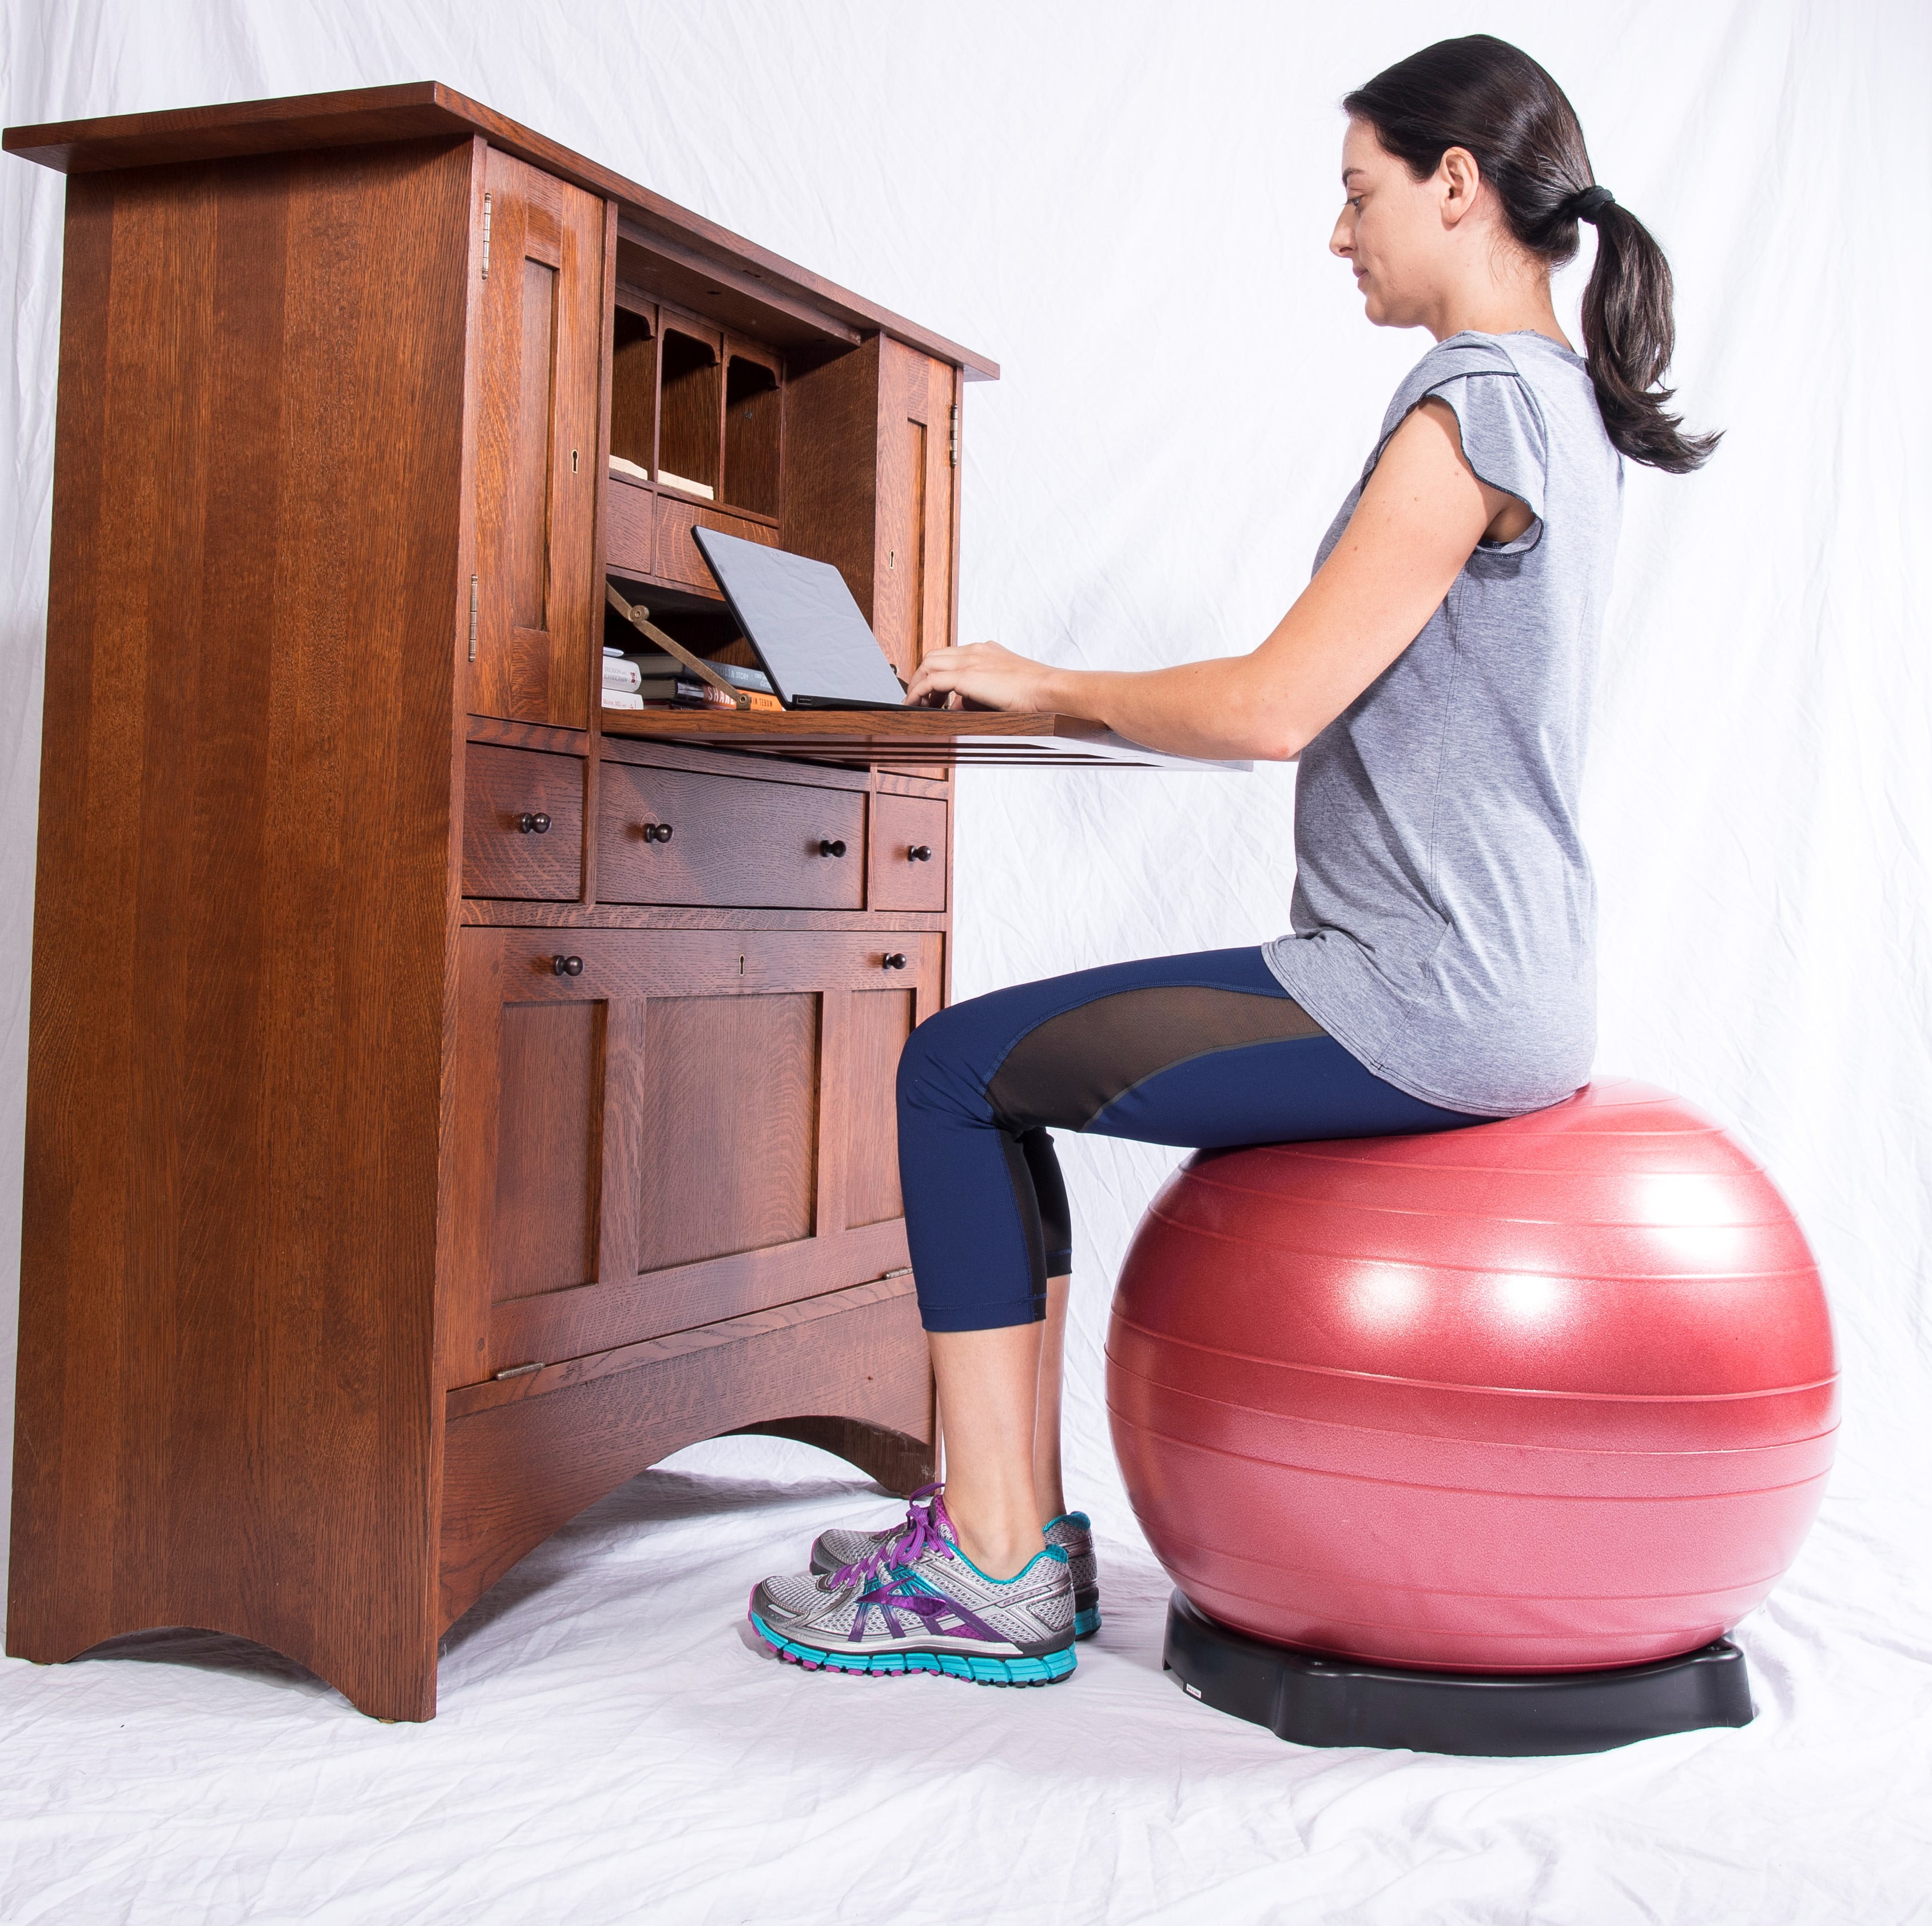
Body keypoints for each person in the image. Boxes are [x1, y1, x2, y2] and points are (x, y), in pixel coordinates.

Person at [748, 32, 1717, 1685]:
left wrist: (1047, 682)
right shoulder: (1556, 405)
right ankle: (1004, 1528)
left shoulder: (1473, 404)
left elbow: (1274, 707)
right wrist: (1055, 709)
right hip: (1505, 985)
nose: (1337, 235)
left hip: (1417, 994)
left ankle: (989, 1562)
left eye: (1357, 194)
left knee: (948, 1073)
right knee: (1000, 1072)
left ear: (1456, 187)